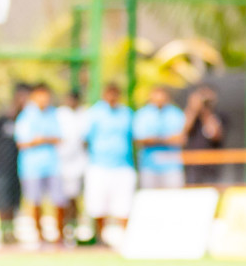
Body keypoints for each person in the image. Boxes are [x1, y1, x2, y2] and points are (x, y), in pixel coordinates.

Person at [14, 83, 70, 245]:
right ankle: (39, 235)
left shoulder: (54, 114)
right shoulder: (26, 115)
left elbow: (59, 137)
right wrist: (40, 140)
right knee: (34, 200)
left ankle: (60, 235)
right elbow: (23, 142)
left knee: (59, 200)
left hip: (52, 165)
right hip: (32, 167)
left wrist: (41, 139)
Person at [83, 83, 136, 241]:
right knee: (98, 205)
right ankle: (101, 239)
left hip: (123, 165)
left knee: (124, 205)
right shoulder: (94, 113)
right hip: (99, 165)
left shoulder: (127, 113)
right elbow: (85, 140)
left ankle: (125, 239)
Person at [0, 85, 28, 245]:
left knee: (15, 202)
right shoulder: (1, 120)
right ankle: (4, 232)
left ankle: (12, 231)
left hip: (21, 168)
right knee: (3, 201)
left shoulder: (26, 121)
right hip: (2, 167)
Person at [132, 86, 186, 190]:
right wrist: (166, 139)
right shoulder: (143, 114)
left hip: (172, 167)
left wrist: (155, 140)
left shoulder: (175, 113)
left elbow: (180, 139)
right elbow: (140, 139)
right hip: (149, 167)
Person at [57, 91, 89, 240]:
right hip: (61, 164)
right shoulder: (60, 114)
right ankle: (63, 230)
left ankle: (74, 228)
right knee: (62, 199)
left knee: (75, 198)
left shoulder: (85, 114)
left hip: (81, 163)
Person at [183, 86, 227, 186]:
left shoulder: (219, 116)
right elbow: (184, 131)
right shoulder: (192, 117)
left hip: (211, 165)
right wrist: (193, 108)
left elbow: (215, 135)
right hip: (192, 164)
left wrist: (206, 112)